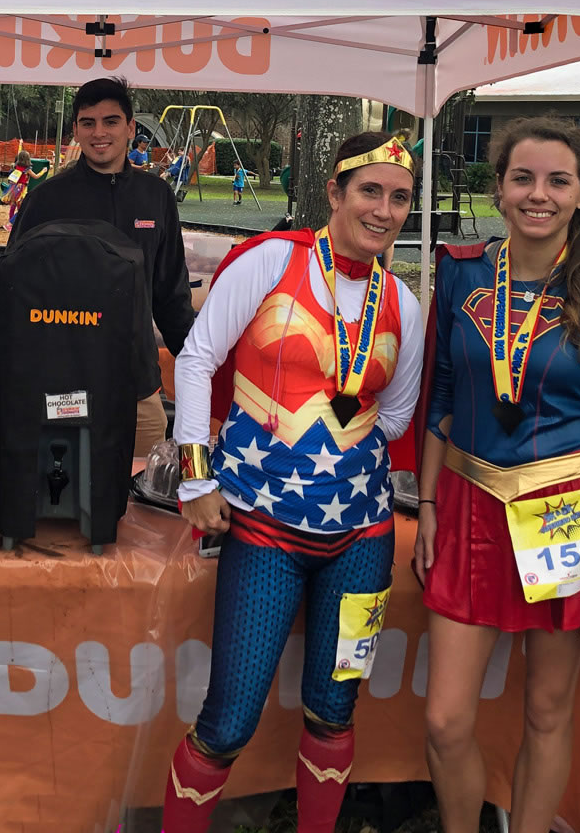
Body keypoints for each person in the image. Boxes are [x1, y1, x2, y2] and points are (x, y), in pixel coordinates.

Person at [161, 131, 424, 833]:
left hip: (362, 538)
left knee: (334, 712)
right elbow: (196, 359)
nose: (384, 210)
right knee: (227, 723)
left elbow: (397, 415)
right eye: (370, 191)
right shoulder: (273, 261)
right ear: (334, 192)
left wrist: (329, 443)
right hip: (264, 530)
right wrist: (196, 479)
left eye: (400, 198)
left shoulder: (403, 301)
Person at [415, 115, 580, 833]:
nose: (537, 194)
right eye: (523, 178)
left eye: (557, 181)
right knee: (445, 719)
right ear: (499, 188)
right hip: (468, 506)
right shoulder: (460, 271)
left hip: (568, 516)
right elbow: (442, 395)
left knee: (547, 712)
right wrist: (428, 505)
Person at [10, 77, 195, 457]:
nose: (99, 133)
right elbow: (14, 288)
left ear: (130, 127)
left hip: (137, 386)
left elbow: (171, 294)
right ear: (76, 130)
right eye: (88, 123)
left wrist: (198, 363)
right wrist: (6, 367)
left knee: (142, 487)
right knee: (64, 486)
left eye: (111, 121)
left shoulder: (156, 196)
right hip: (62, 385)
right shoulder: (47, 199)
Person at [3, 149, 33, 231]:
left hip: (14, 188)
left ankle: (11, 222)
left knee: (13, 205)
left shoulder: (15, 167)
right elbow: (36, 176)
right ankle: (10, 223)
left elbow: (11, 178)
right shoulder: (27, 169)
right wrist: (43, 171)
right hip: (21, 189)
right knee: (22, 208)